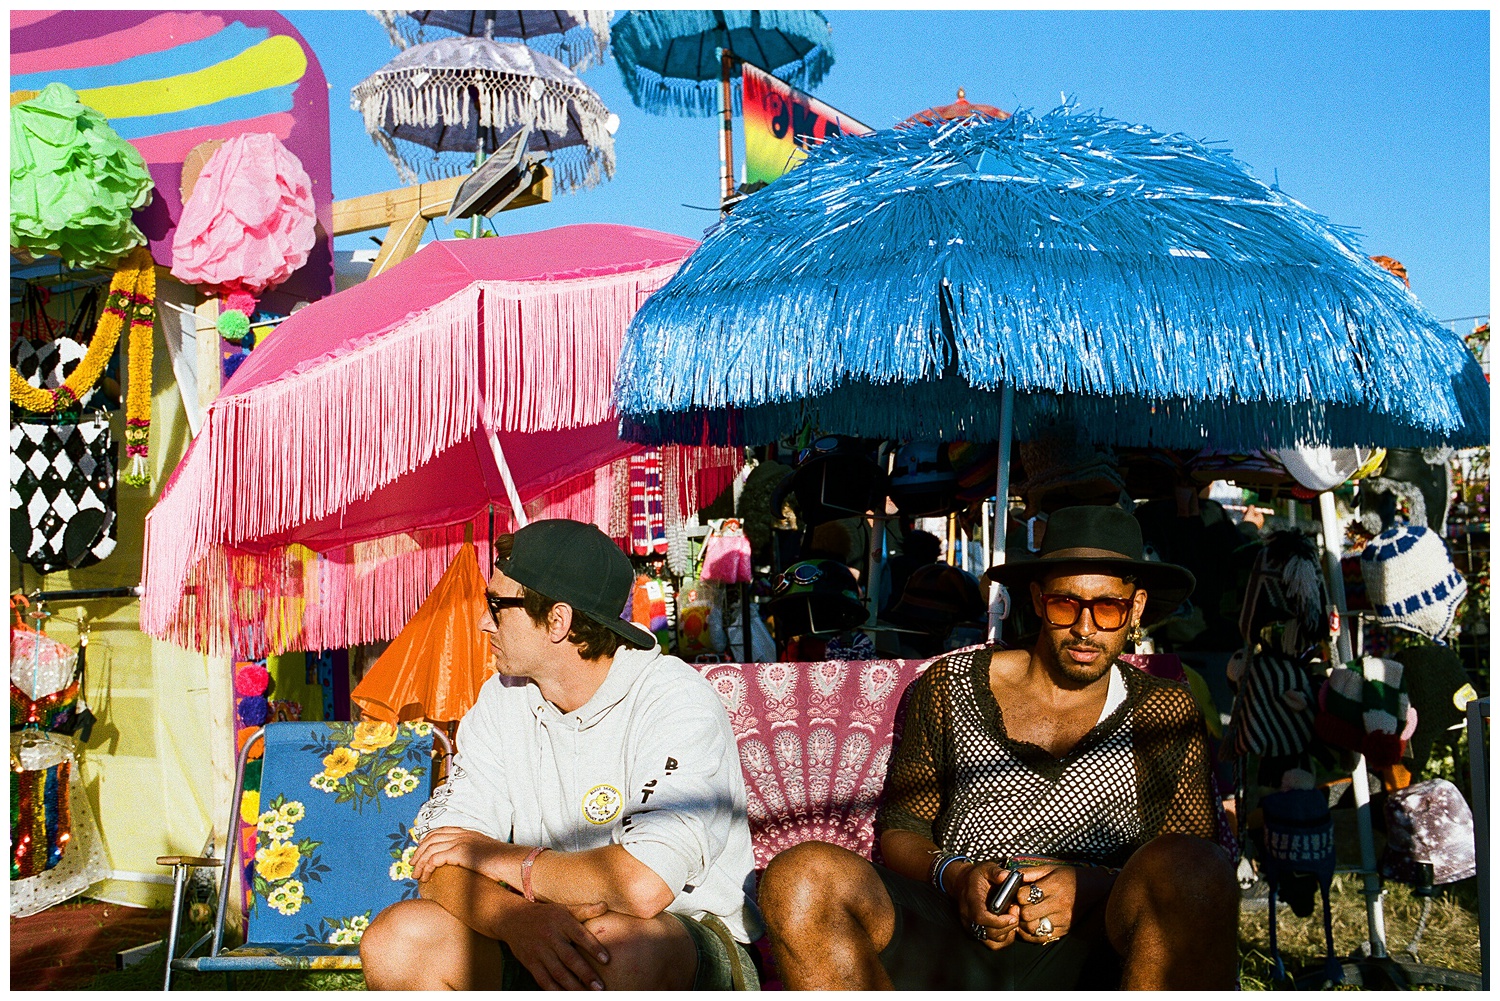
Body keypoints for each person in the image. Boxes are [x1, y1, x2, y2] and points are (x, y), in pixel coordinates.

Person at [758, 505, 1239, 990]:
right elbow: (902, 828)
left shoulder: (1162, 708)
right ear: (1036, 599)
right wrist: (958, 877)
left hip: (1098, 943)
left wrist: (1088, 886)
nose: (1085, 629)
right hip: (951, 929)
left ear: (1135, 608)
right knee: (799, 878)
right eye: (1064, 604)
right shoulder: (953, 684)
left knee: (1195, 870)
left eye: (1108, 608)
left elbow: (1189, 855)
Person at [360, 519, 761, 990]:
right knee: (401, 938)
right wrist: (513, 919)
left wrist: (494, 858)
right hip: (540, 926)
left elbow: (642, 886)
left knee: (615, 945)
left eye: (497, 605)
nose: (483, 621)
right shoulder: (501, 698)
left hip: (683, 937)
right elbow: (437, 864)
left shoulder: (672, 699)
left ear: (558, 621)